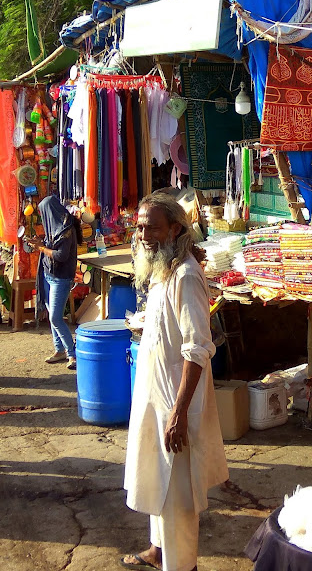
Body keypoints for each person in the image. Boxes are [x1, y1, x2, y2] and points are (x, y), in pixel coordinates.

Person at [120, 193, 228, 571]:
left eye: (152, 226)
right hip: (155, 394)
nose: (143, 234)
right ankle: (159, 550)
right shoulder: (163, 269)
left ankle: (182, 564)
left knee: (177, 491)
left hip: (177, 402)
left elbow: (198, 347)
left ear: (175, 229)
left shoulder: (186, 275)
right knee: (155, 475)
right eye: (139, 226)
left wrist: (179, 412)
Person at [29, 195, 82, 370]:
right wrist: (40, 243)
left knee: (55, 317)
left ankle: (72, 353)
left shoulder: (66, 230)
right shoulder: (56, 227)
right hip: (47, 274)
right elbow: (52, 246)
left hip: (60, 277)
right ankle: (59, 349)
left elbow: (61, 255)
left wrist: (42, 248)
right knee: (53, 314)